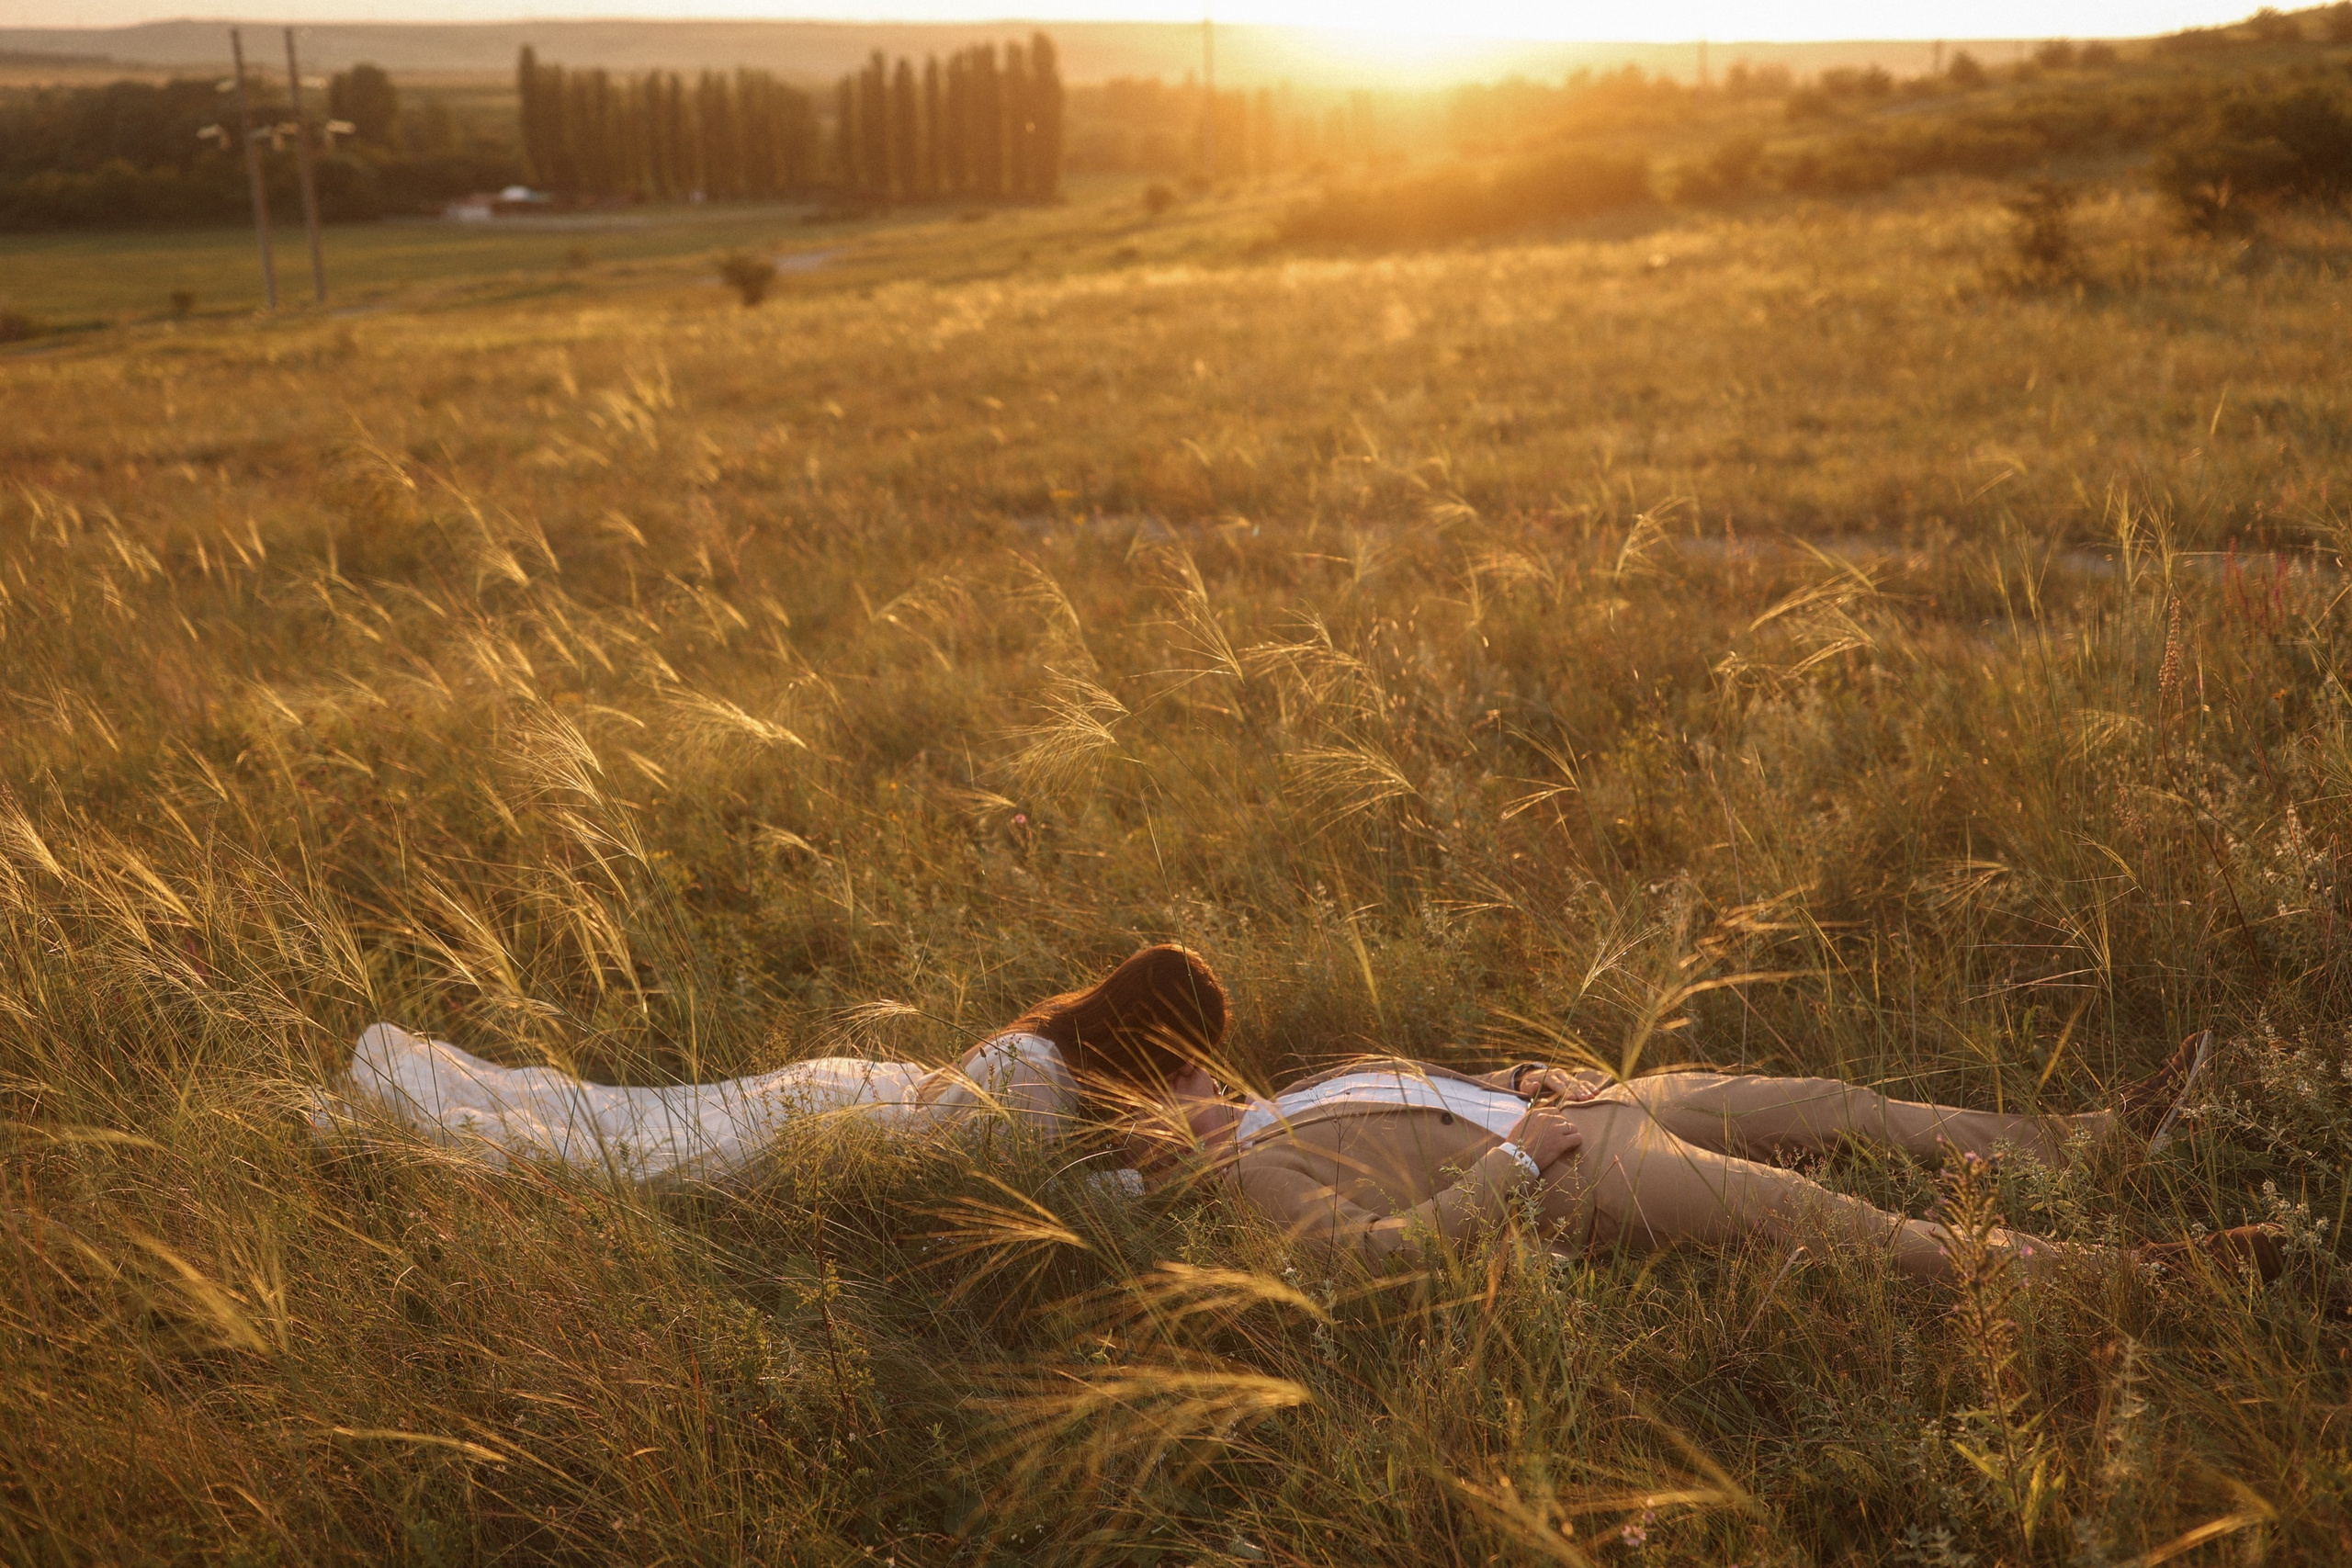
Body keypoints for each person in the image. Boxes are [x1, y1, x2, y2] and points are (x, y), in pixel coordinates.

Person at [1133, 1031, 2283, 1284]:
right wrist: (1520, 1163)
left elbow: (1450, 1086)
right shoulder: (1251, 1175)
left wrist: (1520, 1081)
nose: (1201, 1074)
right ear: (1155, 1130)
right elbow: (1372, 1260)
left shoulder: (1301, 1087)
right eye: (1173, 1081)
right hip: (1571, 1173)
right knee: (1819, 1216)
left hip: (1593, 1105)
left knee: (1829, 1099)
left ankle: (2086, 1145)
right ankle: (2149, 1273)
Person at [308, 943, 1226, 1185]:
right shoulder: (1031, 1074)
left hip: (849, 1099)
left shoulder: (1060, 1060)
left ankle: (407, 1092)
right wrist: (1159, 1165)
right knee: (611, 1154)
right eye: (1183, 1057)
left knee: (621, 1118)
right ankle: (392, 1119)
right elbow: (1001, 1205)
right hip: (819, 1128)